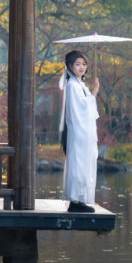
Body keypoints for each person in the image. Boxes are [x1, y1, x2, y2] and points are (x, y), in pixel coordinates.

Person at [58, 49, 101, 214]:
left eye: (84, 64)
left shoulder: (80, 84)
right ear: (70, 66)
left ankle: (81, 199)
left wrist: (91, 91)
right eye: (77, 64)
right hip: (79, 132)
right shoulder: (72, 85)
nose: (81, 67)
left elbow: (89, 108)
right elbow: (83, 109)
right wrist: (95, 90)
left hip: (85, 132)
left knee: (85, 164)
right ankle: (76, 200)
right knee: (79, 165)